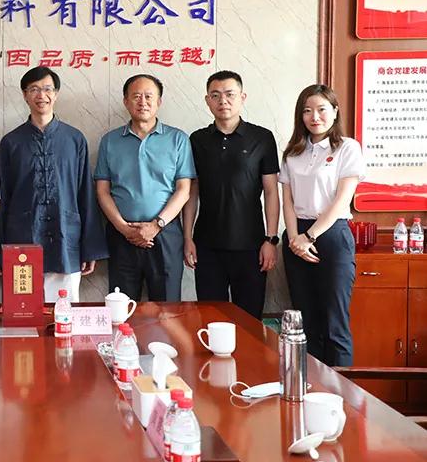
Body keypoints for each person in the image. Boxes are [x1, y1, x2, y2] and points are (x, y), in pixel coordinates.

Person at [0, 66, 107, 302]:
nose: (41, 95)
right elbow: (3, 198)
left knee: (65, 313)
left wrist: (89, 248)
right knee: (24, 312)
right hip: (23, 241)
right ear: (25, 95)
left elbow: (85, 194)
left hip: (66, 240)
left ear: (56, 94)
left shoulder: (74, 139)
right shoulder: (11, 142)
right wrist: (0, 252)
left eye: (47, 89)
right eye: (34, 89)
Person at [181, 70, 280, 319]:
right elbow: (191, 192)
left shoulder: (262, 138)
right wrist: (188, 238)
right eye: (215, 95)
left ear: (242, 97)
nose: (222, 101)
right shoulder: (197, 140)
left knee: (249, 320)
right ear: (207, 101)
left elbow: (271, 192)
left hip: (251, 245)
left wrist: (270, 240)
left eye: (229, 94)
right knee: (211, 318)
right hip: (207, 246)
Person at [280, 84, 364, 367]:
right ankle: (308, 385)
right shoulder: (292, 153)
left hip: (331, 234)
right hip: (297, 237)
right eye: (307, 111)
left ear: (335, 111)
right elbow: (287, 201)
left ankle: (341, 391)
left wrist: (309, 236)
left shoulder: (347, 148)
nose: (314, 117)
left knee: (334, 323)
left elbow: (342, 201)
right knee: (306, 323)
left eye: (321, 109)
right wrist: (294, 238)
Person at [95, 74, 195, 302]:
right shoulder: (110, 141)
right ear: (126, 101)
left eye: (149, 96)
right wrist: (123, 228)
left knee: (168, 308)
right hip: (122, 234)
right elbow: (102, 191)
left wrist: (156, 225)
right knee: (121, 307)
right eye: (136, 96)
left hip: (166, 233)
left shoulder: (178, 139)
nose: (143, 102)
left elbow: (184, 190)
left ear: (159, 102)